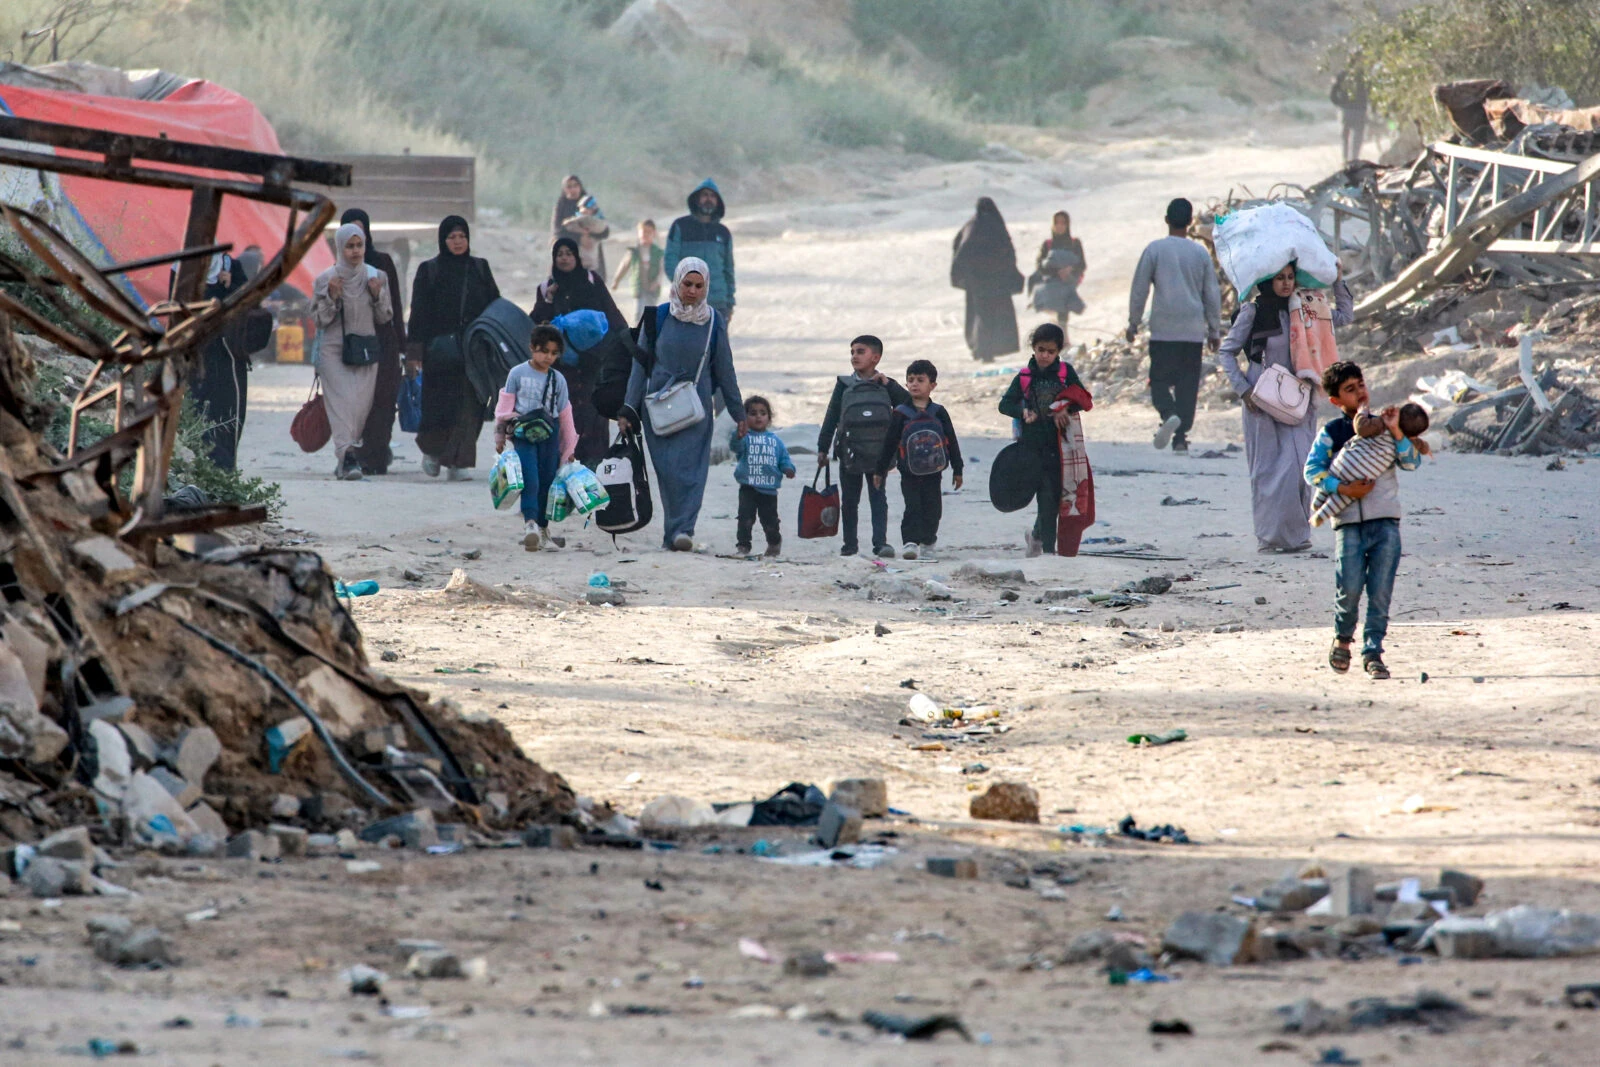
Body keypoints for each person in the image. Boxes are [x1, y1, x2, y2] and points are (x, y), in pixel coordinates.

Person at [1219, 262, 1355, 552]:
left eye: (1290, 277)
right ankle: (1268, 538)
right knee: (1267, 471)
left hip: (1300, 396)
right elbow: (1227, 352)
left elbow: (1344, 316)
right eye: (1279, 278)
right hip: (1261, 397)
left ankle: (1296, 537)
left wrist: (1338, 282)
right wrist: (1243, 390)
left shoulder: (1306, 307)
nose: (1286, 284)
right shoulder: (1252, 312)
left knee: (1299, 468)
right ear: (1267, 281)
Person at [1304, 362, 1423, 680]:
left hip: (1385, 522)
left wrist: (1397, 431)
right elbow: (1312, 471)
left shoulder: (1385, 427)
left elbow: (1412, 462)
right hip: (1347, 524)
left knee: (1381, 591)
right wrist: (1342, 488)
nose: (1359, 392)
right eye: (1349, 389)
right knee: (1350, 587)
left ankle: (1373, 653)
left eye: (1361, 385)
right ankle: (1343, 639)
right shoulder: (1332, 433)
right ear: (1335, 401)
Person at [618, 257, 745, 551]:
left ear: (706, 287)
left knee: (692, 472)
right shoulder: (657, 317)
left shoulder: (714, 322)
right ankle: (672, 531)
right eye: (687, 284)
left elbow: (725, 370)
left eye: (699, 286)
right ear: (677, 283)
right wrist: (628, 408)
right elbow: (640, 367)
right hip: (658, 408)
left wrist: (738, 412)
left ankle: (683, 530)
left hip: (696, 408)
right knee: (669, 472)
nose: (692, 291)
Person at [407, 215, 500, 480]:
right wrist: (414, 353)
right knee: (438, 404)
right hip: (439, 352)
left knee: (470, 406)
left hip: (474, 352)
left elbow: (495, 307)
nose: (458, 242)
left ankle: (459, 461)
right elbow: (419, 314)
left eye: (462, 236)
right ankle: (433, 452)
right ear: (442, 240)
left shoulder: (480, 269)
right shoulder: (429, 270)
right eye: (452, 237)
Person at [1127, 198, 1221, 453]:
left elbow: (1139, 290)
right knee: (1187, 385)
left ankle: (1168, 413)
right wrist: (1214, 329)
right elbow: (1211, 293)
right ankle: (1180, 437)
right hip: (1192, 330)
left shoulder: (1155, 249)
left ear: (1166, 220)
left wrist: (1133, 323)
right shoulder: (1200, 253)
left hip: (1163, 329)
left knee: (1158, 380)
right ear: (1190, 223)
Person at [998, 322, 1095, 557]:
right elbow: (1004, 404)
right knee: (1045, 498)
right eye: (1041, 349)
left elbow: (1083, 398)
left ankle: (1039, 539)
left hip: (1060, 448)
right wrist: (1022, 412)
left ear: (1058, 352)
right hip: (1031, 447)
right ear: (1033, 348)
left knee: (1052, 499)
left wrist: (1065, 407)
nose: (1045, 355)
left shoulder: (1065, 374)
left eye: (1051, 352)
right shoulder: (1024, 376)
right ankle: (1049, 550)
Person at [530, 236, 627, 465]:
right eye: (560, 254)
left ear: (576, 257)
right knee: (565, 414)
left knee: (595, 413)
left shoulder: (592, 281)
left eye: (568, 254)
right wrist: (548, 299)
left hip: (594, 362)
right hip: (562, 367)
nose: (564, 258)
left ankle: (594, 467)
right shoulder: (546, 288)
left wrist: (613, 347)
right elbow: (536, 324)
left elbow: (612, 317)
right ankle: (567, 464)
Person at [311, 222, 394, 481]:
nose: (355, 251)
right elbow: (320, 320)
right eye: (349, 246)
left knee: (360, 407)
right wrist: (333, 297)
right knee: (341, 405)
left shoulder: (376, 276)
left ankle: (345, 454)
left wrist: (377, 294)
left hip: (365, 350)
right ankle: (347, 455)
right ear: (339, 247)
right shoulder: (326, 278)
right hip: (333, 351)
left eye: (359, 245)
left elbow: (384, 317)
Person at [816, 335, 910, 558]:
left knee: (878, 499)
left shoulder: (886, 386)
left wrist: (890, 384)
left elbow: (908, 406)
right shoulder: (844, 385)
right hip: (850, 452)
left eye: (860, 351)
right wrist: (823, 448)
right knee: (850, 501)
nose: (854, 356)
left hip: (880, 454)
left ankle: (880, 544)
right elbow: (831, 417)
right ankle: (850, 545)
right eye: (852, 352)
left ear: (875, 357)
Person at [494, 324, 578, 552]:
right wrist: (499, 437)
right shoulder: (517, 373)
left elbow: (565, 414)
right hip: (523, 436)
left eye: (554, 353)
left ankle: (542, 528)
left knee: (547, 482)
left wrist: (569, 448)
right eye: (544, 351)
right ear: (532, 348)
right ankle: (529, 523)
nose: (548, 357)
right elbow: (504, 408)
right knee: (530, 479)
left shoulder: (558, 379)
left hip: (549, 437)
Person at [873, 359, 962, 560]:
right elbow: (889, 442)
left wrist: (958, 469)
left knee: (933, 508)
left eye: (920, 380)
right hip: (908, 472)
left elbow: (952, 441)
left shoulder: (939, 412)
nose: (914, 384)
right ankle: (910, 543)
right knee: (912, 506)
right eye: (910, 380)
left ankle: (929, 543)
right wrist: (880, 470)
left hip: (934, 472)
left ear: (932, 385)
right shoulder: (900, 413)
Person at [340, 209, 407, 476]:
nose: (357, 238)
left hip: (382, 339)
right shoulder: (335, 269)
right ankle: (358, 453)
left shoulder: (382, 263)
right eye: (350, 232)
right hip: (351, 343)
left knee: (383, 400)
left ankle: (377, 454)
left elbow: (396, 306)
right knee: (357, 402)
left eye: (361, 231)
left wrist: (404, 345)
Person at [1311, 403, 1430, 527]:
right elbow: (1421, 447)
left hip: (1347, 461)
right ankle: (1321, 516)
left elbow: (1361, 428)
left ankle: (1317, 502)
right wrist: (1426, 448)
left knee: (1332, 475)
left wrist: (1362, 413)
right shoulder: (1408, 441)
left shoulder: (1381, 424)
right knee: (1342, 499)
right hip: (1365, 473)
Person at [951, 197, 1022, 362]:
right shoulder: (997, 226)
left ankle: (983, 351)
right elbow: (1008, 253)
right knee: (996, 315)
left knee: (981, 315)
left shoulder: (971, 226)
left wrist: (966, 274)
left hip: (977, 283)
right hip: (997, 282)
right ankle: (991, 350)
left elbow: (961, 251)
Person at [729, 395, 795, 557]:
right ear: (745, 417)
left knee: (770, 521)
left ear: (769, 418)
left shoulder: (776, 441)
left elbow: (784, 459)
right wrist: (738, 435)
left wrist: (788, 469)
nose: (758, 416)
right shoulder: (744, 438)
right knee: (745, 519)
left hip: (769, 490)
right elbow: (735, 447)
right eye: (752, 413)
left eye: (763, 413)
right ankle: (743, 546)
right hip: (748, 487)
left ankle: (774, 543)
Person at [665, 179, 735, 320]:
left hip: (718, 302)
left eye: (712, 196)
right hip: (687, 302)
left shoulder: (723, 232)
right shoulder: (680, 226)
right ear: (696, 199)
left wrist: (730, 303)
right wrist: (684, 288)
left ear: (718, 202)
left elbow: (729, 270)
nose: (708, 199)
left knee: (717, 342)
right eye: (705, 195)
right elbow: (670, 260)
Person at [1028, 211, 1087, 335]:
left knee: (1064, 306)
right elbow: (1039, 265)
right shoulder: (1047, 244)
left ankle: (1063, 337)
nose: (1060, 226)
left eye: (1063, 223)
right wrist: (1057, 272)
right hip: (1051, 283)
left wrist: (1070, 270)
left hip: (1069, 280)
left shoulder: (1075, 243)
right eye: (1057, 223)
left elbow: (1082, 264)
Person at [552, 174, 610, 275]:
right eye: (569, 187)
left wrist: (589, 235)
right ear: (564, 189)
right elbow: (558, 230)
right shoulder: (561, 205)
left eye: (576, 186)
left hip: (591, 250)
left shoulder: (589, 204)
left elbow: (604, 231)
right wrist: (579, 238)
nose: (573, 189)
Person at [611, 219, 665, 322]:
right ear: (639, 232)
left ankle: (649, 334)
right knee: (639, 312)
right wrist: (616, 280)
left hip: (652, 287)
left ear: (654, 233)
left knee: (651, 312)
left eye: (649, 232)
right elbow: (624, 265)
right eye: (643, 231)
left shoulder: (658, 252)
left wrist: (657, 282)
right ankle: (638, 334)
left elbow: (662, 270)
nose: (646, 234)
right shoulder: (634, 251)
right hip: (639, 286)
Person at [1331, 67, 1369, 164]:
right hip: (1360, 110)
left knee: (1345, 136)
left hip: (1346, 111)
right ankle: (1354, 160)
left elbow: (1333, 94)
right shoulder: (1364, 75)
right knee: (1357, 137)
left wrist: (1340, 104)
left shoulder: (1342, 74)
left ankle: (1345, 159)